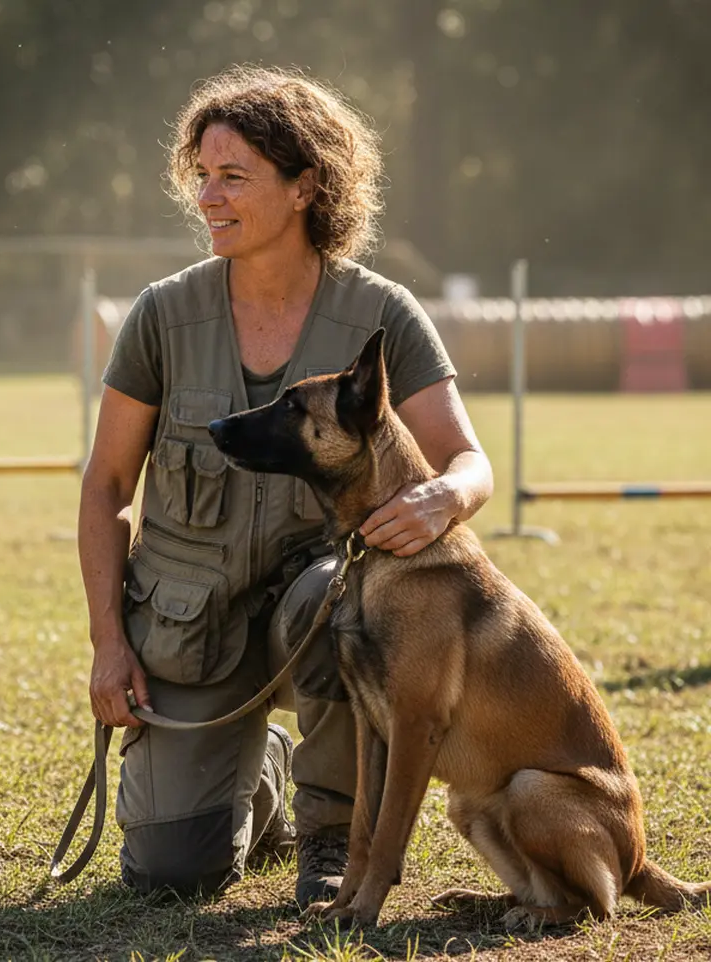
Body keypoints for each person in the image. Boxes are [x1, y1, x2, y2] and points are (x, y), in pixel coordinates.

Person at [77, 64, 493, 906]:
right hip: (190, 621)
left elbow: (469, 461)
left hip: (324, 604)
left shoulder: (383, 312)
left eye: (234, 176)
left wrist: (442, 499)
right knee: (168, 874)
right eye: (201, 175)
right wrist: (108, 642)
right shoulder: (161, 315)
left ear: (306, 187)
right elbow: (106, 485)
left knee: (337, 607)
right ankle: (259, 771)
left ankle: (333, 831)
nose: (208, 196)